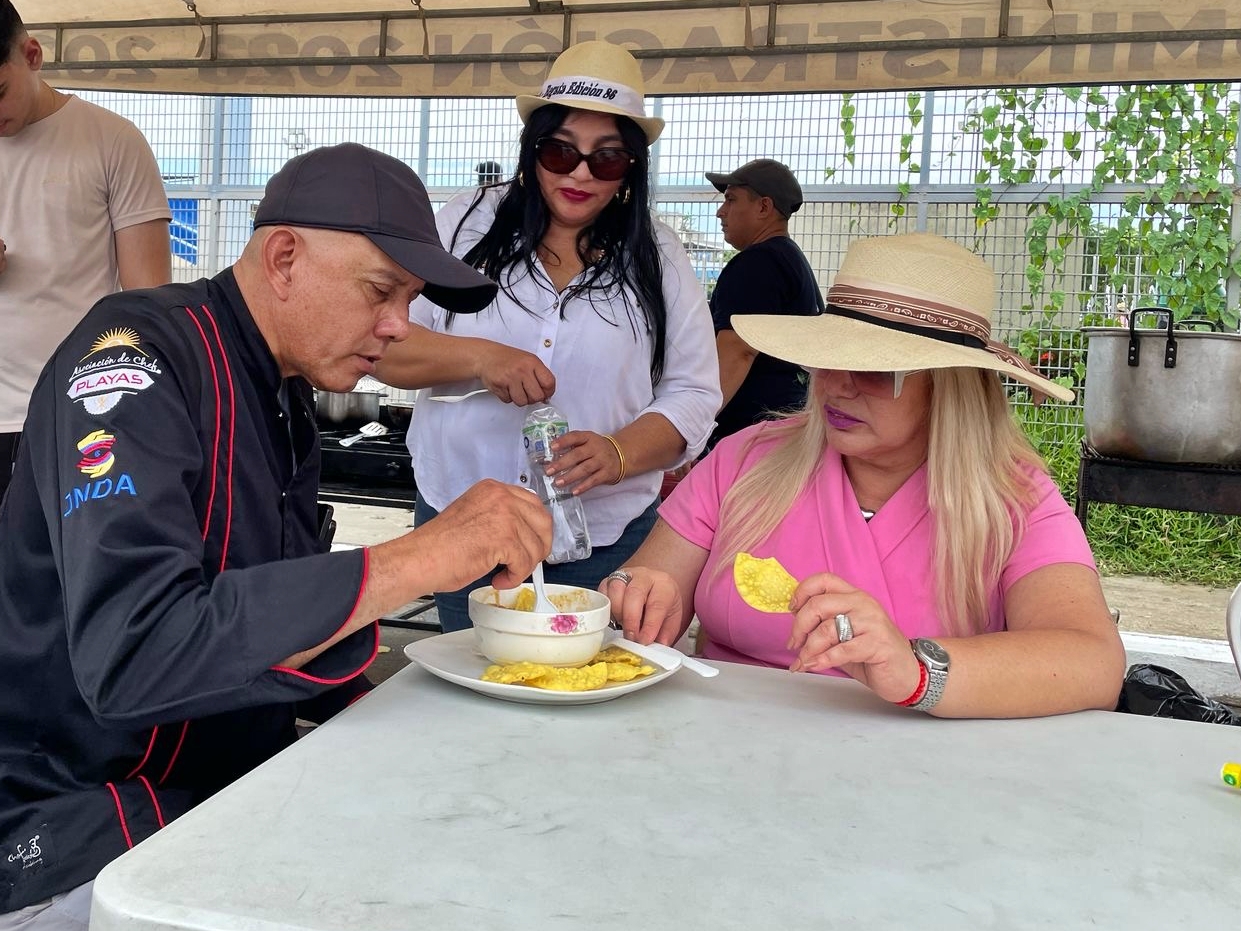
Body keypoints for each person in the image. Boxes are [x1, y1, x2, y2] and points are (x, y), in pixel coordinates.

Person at [0, 142, 552, 926]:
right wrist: (421, 556)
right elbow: (135, 654)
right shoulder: (134, 359)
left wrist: (409, 728)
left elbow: (266, 614)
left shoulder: (283, 388)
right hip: (79, 824)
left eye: (410, 300)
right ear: (284, 258)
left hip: (225, 791)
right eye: (381, 290)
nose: (399, 326)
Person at [603, 233, 1126, 719]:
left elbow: (1091, 660)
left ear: (950, 386)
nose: (838, 385)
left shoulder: (1013, 499)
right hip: (724, 742)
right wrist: (636, 596)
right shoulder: (745, 460)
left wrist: (917, 672)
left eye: (876, 370)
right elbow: (649, 585)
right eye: (828, 357)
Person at [376, 40, 721, 631]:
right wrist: (480, 358)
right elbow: (386, 342)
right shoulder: (464, 225)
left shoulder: (658, 255)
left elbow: (694, 393)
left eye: (606, 159)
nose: (580, 173)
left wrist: (618, 452)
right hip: (465, 526)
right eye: (560, 151)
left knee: (595, 679)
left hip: (605, 538)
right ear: (531, 149)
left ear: (631, 167)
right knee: (475, 677)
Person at [0, 0, 172, 502]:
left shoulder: (112, 140)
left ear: (32, 55)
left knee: (60, 555)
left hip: (72, 412)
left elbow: (149, 304)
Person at [704, 158, 824, 449]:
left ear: (764, 207)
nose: (721, 211)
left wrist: (692, 425)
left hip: (751, 436)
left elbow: (738, 350)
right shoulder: (790, 259)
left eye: (731, 199)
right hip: (783, 426)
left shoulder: (756, 264)